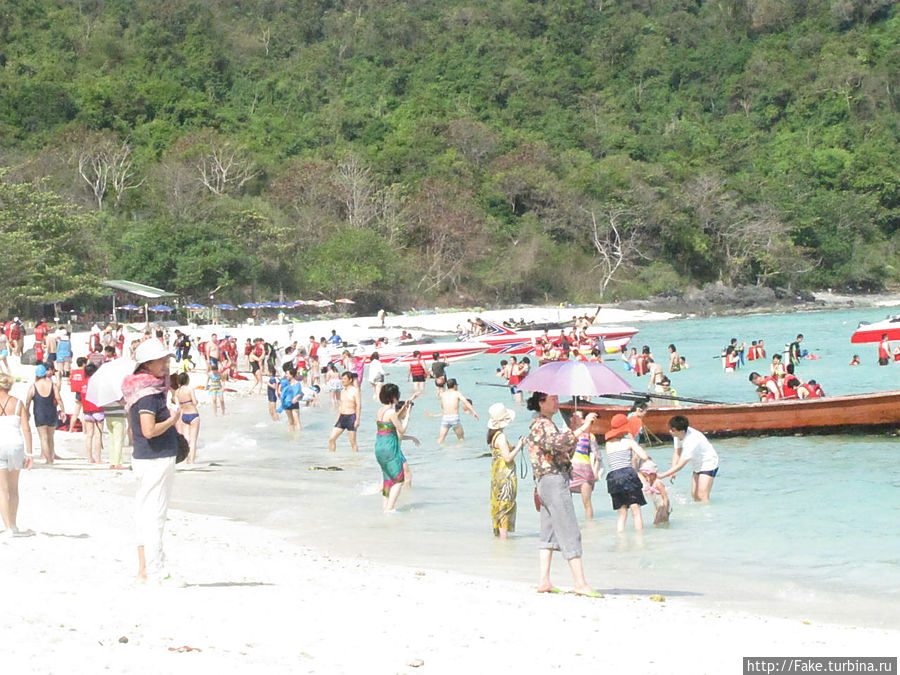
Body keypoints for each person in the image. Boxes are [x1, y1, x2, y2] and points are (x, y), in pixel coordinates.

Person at [525, 391, 599, 596]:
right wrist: (582, 428)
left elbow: (564, 449)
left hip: (546, 480)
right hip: (553, 479)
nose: (557, 402)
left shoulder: (544, 423)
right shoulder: (542, 424)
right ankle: (580, 582)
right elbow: (556, 444)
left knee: (548, 531)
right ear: (541, 402)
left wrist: (575, 429)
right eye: (553, 399)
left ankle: (544, 580)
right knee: (568, 528)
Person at [123, 339, 181, 583]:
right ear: (147, 363)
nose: (166, 365)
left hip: (146, 457)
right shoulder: (148, 395)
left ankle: (144, 569)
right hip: (155, 457)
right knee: (155, 515)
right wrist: (173, 419)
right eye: (162, 361)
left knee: (144, 513)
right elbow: (149, 430)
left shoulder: (141, 389)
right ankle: (155, 572)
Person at [374, 384, 419, 512]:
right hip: (390, 447)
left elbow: (392, 420)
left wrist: (406, 405)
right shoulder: (391, 412)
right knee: (399, 479)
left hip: (379, 446)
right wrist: (408, 414)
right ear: (394, 397)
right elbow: (402, 429)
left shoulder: (381, 410)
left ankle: (385, 508)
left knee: (387, 478)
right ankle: (390, 508)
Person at [602, 413, 650, 533]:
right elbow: (644, 456)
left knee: (622, 512)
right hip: (628, 476)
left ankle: (621, 538)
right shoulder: (628, 442)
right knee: (635, 509)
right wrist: (633, 441)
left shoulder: (608, 445)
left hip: (613, 477)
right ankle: (640, 538)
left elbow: (610, 463)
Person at [0, 372, 33, 539]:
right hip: (16, 444)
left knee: (2, 489)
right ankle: (13, 524)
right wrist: (30, 453)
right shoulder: (18, 403)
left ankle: (7, 527)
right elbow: (26, 429)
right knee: (13, 488)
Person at [658, 415, 720, 502]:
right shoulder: (678, 435)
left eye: (672, 430)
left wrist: (661, 476)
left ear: (682, 431)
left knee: (702, 496)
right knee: (694, 495)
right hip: (697, 463)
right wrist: (672, 470)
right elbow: (677, 452)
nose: (670, 431)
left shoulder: (691, 441)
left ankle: (708, 514)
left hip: (709, 463)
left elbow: (681, 465)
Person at [487, 402, 522, 538]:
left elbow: (501, 454)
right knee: (506, 506)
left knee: (499, 504)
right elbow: (507, 458)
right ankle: (504, 539)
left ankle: (500, 538)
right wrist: (519, 446)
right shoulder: (501, 437)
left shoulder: (493, 436)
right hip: (506, 475)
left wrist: (513, 447)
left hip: (497, 475)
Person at [24, 364, 64, 464]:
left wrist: (27, 412)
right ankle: (51, 458)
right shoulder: (52, 385)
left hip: (39, 414)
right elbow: (58, 398)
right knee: (51, 437)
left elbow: (27, 401)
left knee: (43, 438)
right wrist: (63, 410)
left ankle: (49, 460)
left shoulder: (33, 386)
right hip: (51, 412)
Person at [568, 411, 600, 520]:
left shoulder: (589, 435)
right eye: (573, 416)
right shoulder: (566, 434)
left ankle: (590, 527)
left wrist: (595, 472)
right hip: (568, 471)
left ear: (583, 420)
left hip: (584, 471)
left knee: (586, 502)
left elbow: (597, 456)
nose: (575, 418)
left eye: (578, 417)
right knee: (566, 502)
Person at [437, 379, 479, 443]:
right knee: (461, 438)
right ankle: (461, 451)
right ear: (454, 386)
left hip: (445, 418)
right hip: (454, 417)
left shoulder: (443, 394)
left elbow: (442, 406)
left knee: (441, 439)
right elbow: (466, 402)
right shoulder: (457, 393)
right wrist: (474, 412)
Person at [328, 371, 361, 452]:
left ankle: (355, 460)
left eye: (344, 379)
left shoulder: (355, 390)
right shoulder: (342, 391)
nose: (342, 380)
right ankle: (331, 458)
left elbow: (359, 406)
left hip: (351, 417)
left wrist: (357, 420)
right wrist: (338, 418)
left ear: (350, 380)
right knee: (332, 438)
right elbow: (341, 405)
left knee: (353, 442)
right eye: (342, 379)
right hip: (342, 417)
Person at [174, 373, 200, 463]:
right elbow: (195, 402)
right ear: (187, 380)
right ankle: (191, 461)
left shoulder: (177, 392)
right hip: (193, 414)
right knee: (193, 440)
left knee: (186, 439)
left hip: (184, 416)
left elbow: (178, 406)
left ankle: (185, 460)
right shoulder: (190, 389)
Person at [81, 363, 105, 464]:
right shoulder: (97, 383)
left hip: (87, 411)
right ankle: (98, 458)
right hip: (98, 410)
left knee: (89, 435)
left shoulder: (83, 384)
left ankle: (89, 458)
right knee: (98, 435)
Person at [637, 460, 671, 525]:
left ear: (653, 474)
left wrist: (665, 510)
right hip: (658, 507)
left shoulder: (658, 483)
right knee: (660, 523)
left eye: (648, 476)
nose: (647, 479)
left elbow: (665, 498)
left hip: (663, 506)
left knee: (656, 523)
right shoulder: (651, 483)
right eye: (645, 476)